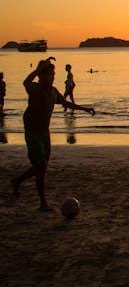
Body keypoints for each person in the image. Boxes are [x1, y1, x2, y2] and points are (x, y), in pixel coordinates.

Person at [11, 58, 95, 211]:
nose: (52, 77)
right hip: (32, 132)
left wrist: (84, 109)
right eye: (49, 74)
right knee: (41, 167)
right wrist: (37, 69)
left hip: (45, 133)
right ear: (41, 76)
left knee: (41, 167)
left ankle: (17, 181)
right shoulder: (35, 88)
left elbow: (66, 103)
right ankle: (42, 203)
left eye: (53, 75)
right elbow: (25, 82)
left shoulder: (53, 92)